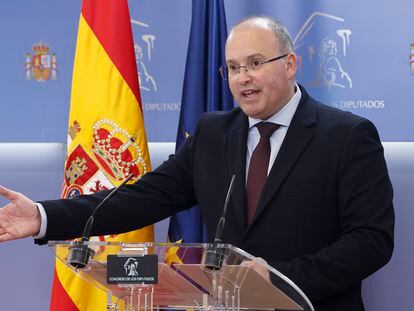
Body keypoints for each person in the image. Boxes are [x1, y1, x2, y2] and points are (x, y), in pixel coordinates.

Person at [0, 16, 394, 311]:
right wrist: (42, 216)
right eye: (234, 67)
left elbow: (371, 241)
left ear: (290, 64)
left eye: (255, 62)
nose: (243, 78)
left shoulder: (347, 136)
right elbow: (144, 197)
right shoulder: (212, 133)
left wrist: (279, 278)